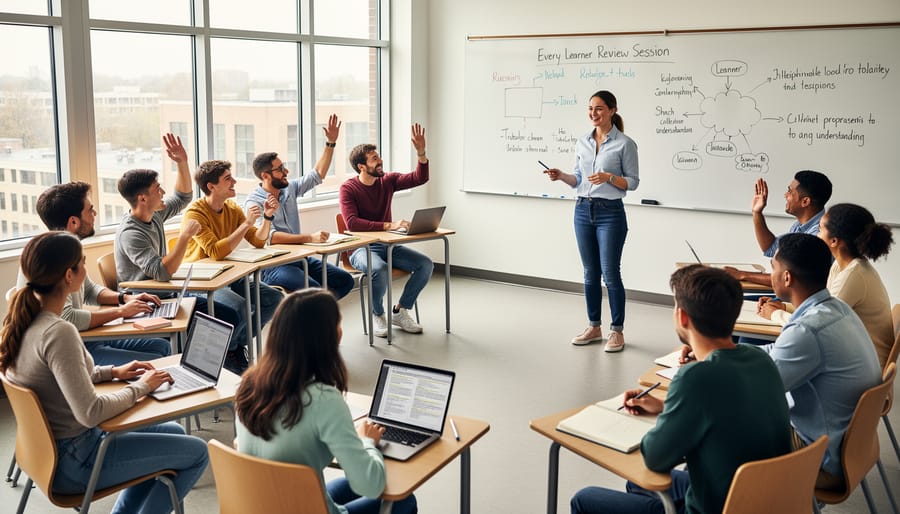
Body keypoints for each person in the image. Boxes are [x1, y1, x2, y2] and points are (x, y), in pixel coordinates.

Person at [1, 232, 208, 514]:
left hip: (48, 453)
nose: (86, 270)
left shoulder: (25, 320)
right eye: (82, 263)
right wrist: (141, 387)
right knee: (198, 453)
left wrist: (112, 372)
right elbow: (91, 412)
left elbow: (59, 377)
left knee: (173, 430)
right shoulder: (59, 332)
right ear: (68, 276)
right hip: (77, 459)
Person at [571, 265, 791, 514]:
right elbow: (727, 410)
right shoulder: (760, 360)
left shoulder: (694, 378)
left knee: (584, 499)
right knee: (638, 483)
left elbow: (655, 457)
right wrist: (666, 406)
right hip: (762, 499)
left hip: (716, 506)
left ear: (683, 316)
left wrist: (671, 413)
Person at [235, 289, 417, 514]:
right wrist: (367, 442)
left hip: (266, 505)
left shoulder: (248, 386)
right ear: (333, 336)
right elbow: (370, 485)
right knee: (403, 500)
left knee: (342, 485)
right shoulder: (323, 400)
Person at [114, 133, 246, 374]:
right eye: (157, 189)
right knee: (225, 316)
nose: (163, 192)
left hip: (169, 290)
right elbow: (163, 272)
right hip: (149, 299)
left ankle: (220, 362)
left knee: (231, 313)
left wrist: (182, 163)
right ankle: (209, 367)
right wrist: (184, 237)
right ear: (143, 198)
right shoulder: (131, 233)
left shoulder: (153, 215)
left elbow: (183, 196)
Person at [760, 232, 881, 489]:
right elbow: (777, 351)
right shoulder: (837, 309)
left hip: (820, 458)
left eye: (773, 267)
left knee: (723, 426)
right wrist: (726, 353)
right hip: (850, 448)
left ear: (787, 277)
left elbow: (759, 390)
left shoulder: (808, 330)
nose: (771, 274)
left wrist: (708, 363)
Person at [17, 181, 170, 366]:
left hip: (83, 338)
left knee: (161, 347)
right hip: (70, 347)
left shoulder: (68, 247)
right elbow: (68, 318)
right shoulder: (51, 257)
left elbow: (89, 290)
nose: (95, 214)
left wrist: (125, 299)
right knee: (157, 363)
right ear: (73, 221)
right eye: (90, 210)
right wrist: (120, 312)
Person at [545, 90, 639, 352]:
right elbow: (578, 178)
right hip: (582, 211)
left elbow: (632, 182)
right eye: (590, 109)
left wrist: (609, 177)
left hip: (610, 213)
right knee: (589, 274)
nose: (593, 114)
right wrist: (561, 175)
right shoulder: (582, 142)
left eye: (599, 109)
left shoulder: (625, 144)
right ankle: (594, 326)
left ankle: (616, 331)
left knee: (610, 273)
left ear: (612, 110)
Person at [756, 203, 895, 368]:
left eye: (820, 229)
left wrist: (776, 314)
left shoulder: (853, 275)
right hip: (853, 357)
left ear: (834, 241)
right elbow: (819, 308)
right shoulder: (844, 265)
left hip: (860, 365)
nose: (817, 234)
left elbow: (817, 326)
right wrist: (784, 308)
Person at [182, 159, 283, 369]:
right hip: (200, 281)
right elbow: (216, 251)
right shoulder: (195, 213)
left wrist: (267, 217)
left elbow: (258, 240)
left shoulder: (231, 208)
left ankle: (234, 345)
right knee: (239, 307)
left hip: (227, 273)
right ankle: (230, 352)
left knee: (274, 298)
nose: (234, 181)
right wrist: (246, 223)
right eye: (228, 179)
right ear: (211, 186)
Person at [339, 124, 433, 338]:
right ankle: (377, 314)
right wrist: (388, 225)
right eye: (374, 159)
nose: (380, 161)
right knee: (379, 270)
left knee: (425, 264)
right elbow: (352, 223)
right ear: (361, 166)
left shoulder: (387, 181)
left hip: (387, 246)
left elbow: (420, 178)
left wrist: (421, 153)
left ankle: (400, 311)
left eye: (378, 156)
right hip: (360, 248)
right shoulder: (348, 188)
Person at [244, 114, 353, 297]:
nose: (286, 171)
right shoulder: (253, 202)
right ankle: (317, 314)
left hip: (299, 258)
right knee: (316, 292)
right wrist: (310, 237)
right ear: (265, 176)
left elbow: (317, 174)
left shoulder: (289, 188)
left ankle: (316, 314)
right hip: (274, 264)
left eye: (284, 166)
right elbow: (270, 238)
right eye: (280, 169)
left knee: (345, 281)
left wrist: (330, 143)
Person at [724, 170, 832, 287]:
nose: (785, 195)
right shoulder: (799, 226)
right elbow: (770, 248)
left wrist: (742, 275)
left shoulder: (818, 234)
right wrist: (757, 212)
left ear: (805, 201)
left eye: (790, 191)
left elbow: (792, 279)